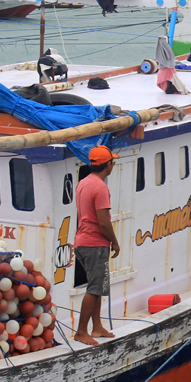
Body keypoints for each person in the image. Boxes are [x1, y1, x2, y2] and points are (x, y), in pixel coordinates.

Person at [74, 145, 121, 346]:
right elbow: (103, 221)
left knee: (97, 285)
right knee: (95, 288)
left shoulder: (83, 183)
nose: (113, 164)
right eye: (113, 161)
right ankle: (82, 331)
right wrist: (115, 243)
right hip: (95, 243)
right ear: (108, 164)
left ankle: (97, 326)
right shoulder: (101, 188)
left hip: (82, 242)